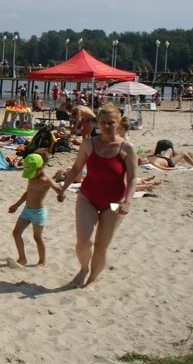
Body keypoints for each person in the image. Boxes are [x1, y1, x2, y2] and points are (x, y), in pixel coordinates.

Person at [56, 103, 137, 288]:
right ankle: (84, 268)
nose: (107, 126)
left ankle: (92, 278)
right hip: (87, 197)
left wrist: (128, 202)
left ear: (118, 123)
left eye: (111, 122)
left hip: (115, 203)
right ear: (97, 123)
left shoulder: (127, 148)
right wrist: (63, 189)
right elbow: (77, 168)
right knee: (83, 242)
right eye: (103, 122)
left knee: (101, 247)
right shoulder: (89, 143)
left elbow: (132, 178)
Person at [8, 151, 60, 267]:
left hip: (38, 213)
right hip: (27, 210)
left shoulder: (46, 180)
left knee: (37, 237)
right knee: (16, 233)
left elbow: (58, 189)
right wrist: (16, 205)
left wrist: (61, 195)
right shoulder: (31, 177)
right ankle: (22, 259)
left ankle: (42, 261)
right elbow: (28, 192)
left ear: (40, 167)